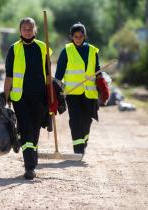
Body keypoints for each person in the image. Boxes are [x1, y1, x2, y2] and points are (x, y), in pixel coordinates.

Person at [4, 17, 50, 180]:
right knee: (25, 128)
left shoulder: (43, 47)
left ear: (35, 30)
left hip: (39, 96)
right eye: (24, 28)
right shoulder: (14, 49)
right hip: (20, 97)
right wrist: (5, 95)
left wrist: (52, 94)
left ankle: (32, 157)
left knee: (35, 129)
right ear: (20, 30)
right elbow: (9, 75)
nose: (27, 31)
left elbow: (49, 74)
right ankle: (29, 166)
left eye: (30, 28)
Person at [54, 22, 109, 157]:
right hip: (73, 93)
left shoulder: (92, 51)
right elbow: (58, 75)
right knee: (75, 120)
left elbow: (97, 71)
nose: (78, 39)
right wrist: (56, 92)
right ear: (71, 37)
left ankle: (83, 142)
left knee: (87, 121)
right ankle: (78, 150)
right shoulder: (66, 51)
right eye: (75, 36)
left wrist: (103, 87)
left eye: (80, 36)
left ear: (85, 36)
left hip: (89, 93)